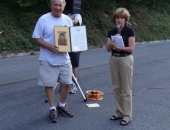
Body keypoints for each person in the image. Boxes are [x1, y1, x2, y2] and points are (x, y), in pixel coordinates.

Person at [32, 0, 74, 123]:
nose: (57, 7)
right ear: (51, 5)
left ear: (64, 6)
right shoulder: (43, 19)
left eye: (60, 5)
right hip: (47, 58)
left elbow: (72, 38)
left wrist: (76, 46)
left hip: (64, 58)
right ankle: (52, 109)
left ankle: (61, 106)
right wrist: (48, 46)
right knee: (49, 84)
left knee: (67, 83)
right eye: (55, 5)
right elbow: (36, 37)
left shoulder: (67, 20)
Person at [106, 7, 135, 126]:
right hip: (114, 59)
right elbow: (108, 49)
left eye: (122, 18)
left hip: (125, 59)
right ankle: (119, 112)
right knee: (116, 87)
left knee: (126, 88)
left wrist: (119, 47)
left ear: (125, 19)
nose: (119, 20)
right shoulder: (111, 32)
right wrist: (111, 44)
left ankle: (127, 115)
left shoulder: (129, 31)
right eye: (117, 17)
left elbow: (131, 48)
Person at [68, 14, 82, 94]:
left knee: (74, 65)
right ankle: (65, 83)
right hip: (65, 43)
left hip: (75, 45)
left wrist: (69, 20)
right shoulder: (63, 14)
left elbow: (76, 21)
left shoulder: (77, 15)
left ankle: (74, 84)